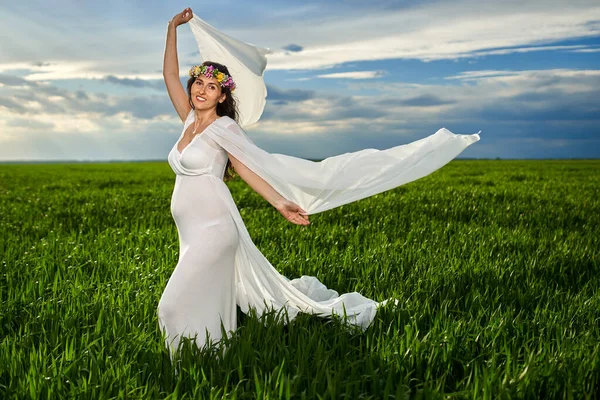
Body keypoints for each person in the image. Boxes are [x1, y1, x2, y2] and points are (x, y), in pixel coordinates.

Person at [158, 7, 481, 360]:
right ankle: (208, 357)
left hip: (215, 229)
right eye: (199, 83)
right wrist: (173, 28)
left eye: (213, 86)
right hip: (189, 232)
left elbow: (249, 169)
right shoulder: (187, 120)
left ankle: (194, 357)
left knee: (171, 306)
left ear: (223, 96)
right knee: (202, 297)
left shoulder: (225, 129)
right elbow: (169, 73)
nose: (202, 90)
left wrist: (280, 202)